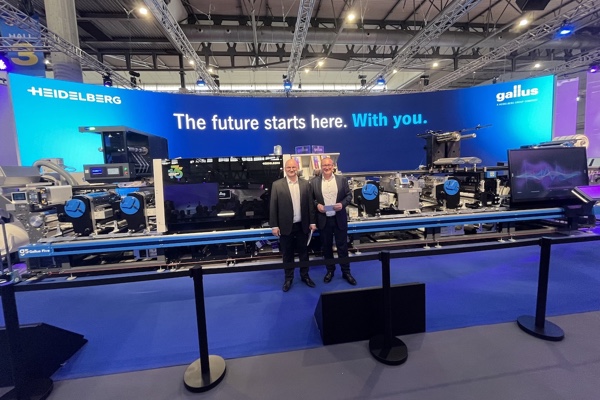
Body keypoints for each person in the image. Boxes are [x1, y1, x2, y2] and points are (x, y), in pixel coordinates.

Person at [270, 159, 317, 292]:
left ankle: (305, 276)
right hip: (285, 226)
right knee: (287, 254)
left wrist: (312, 222)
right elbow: (273, 206)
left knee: (304, 253)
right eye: (288, 167)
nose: (291, 169)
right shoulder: (277, 185)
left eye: (293, 167)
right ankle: (288, 279)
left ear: (297, 168)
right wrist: (274, 225)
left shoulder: (305, 184)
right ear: (285, 169)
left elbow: (310, 205)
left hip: (303, 225)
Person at [310, 157, 357, 285]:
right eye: (324, 165)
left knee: (343, 247)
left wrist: (342, 204)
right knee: (326, 248)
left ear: (333, 166)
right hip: (324, 220)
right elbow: (311, 199)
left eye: (329, 165)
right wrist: (317, 205)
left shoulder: (342, 180)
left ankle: (346, 272)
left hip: (339, 219)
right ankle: (330, 271)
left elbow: (349, 196)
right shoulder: (314, 182)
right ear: (321, 166)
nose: (326, 167)